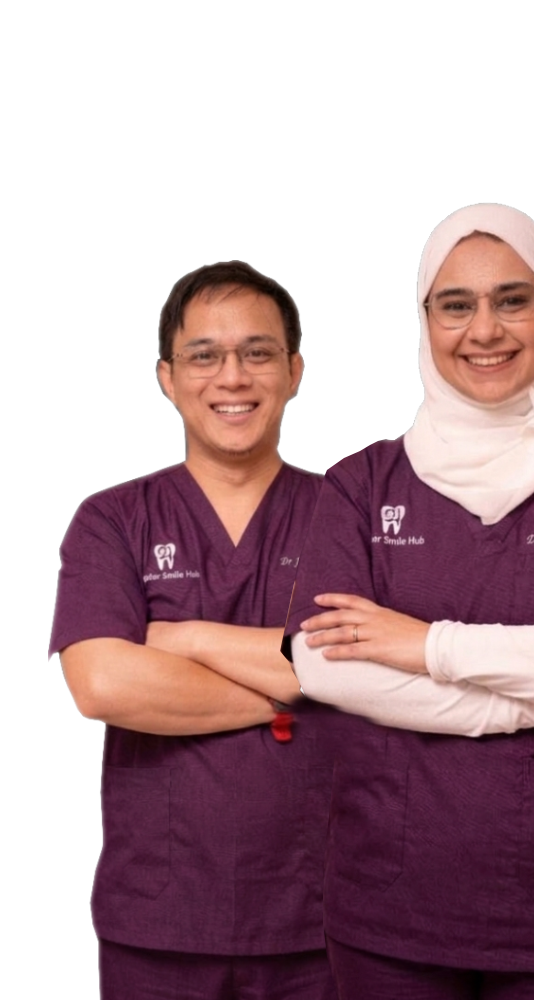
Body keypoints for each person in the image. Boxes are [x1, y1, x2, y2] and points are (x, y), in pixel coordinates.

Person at [284, 203, 534, 1000]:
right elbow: (323, 663)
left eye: (513, 299)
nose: (485, 330)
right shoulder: (362, 483)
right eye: (456, 304)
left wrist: (424, 646)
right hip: (391, 912)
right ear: (424, 321)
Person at [51, 263, 340, 999]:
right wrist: (302, 689)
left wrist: (181, 638)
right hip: (161, 917)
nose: (231, 377)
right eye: (204, 355)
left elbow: (376, 670)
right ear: (168, 378)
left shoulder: (349, 516)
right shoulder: (113, 521)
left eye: (257, 352)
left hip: (327, 918)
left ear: (296, 371)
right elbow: (104, 686)